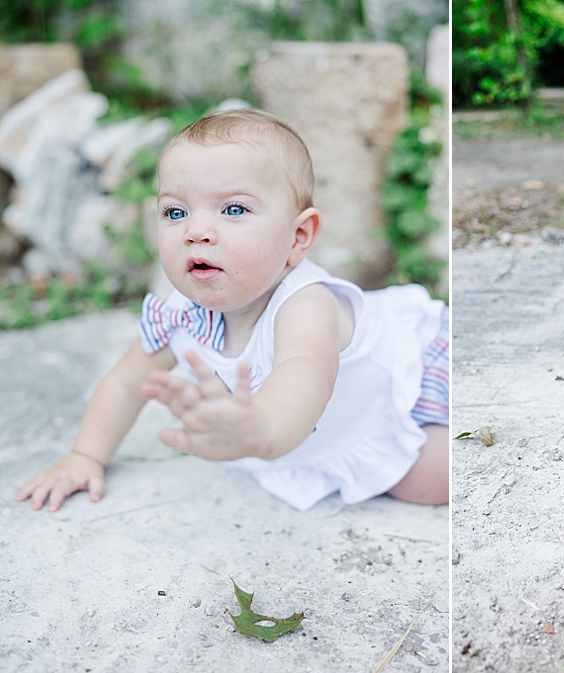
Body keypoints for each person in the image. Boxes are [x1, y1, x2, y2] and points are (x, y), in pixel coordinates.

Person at [16, 108, 449, 513]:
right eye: (176, 211)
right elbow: (128, 381)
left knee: (429, 482)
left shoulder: (304, 304)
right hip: (314, 432)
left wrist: (263, 426)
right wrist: (84, 455)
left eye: (234, 209)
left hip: (405, 382)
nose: (196, 231)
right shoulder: (180, 313)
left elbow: (307, 372)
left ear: (298, 237)